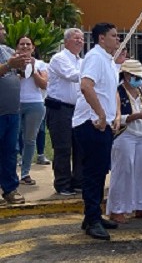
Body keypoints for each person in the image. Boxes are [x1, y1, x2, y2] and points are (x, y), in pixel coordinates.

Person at [72, 22, 120, 240]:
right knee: (93, 173)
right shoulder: (95, 57)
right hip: (91, 123)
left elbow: (111, 92)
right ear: (101, 38)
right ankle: (92, 220)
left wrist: (113, 117)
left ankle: (94, 215)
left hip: (104, 124)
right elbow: (86, 86)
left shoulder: (108, 60)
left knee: (100, 171)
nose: (118, 39)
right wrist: (101, 114)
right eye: (114, 36)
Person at [107, 60, 142, 224]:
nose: (140, 79)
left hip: (141, 135)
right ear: (126, 75)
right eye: (136, 76)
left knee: (141, 172)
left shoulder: (141, 92)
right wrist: (138, 116)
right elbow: (116, 118)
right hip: (124, 135)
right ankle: (117, 209)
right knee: (122, 172)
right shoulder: (117, 92)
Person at [46, 28, 85, 196]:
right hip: (60, 109)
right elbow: (72, 75)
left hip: (78, 110)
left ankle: (78, 181)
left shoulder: (82, 61)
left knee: (80, 146)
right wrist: (93, 72)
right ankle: (62, 184)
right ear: (67, 41)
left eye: (82, 39)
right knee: (63, 148)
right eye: (76, 38)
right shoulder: (59, 59)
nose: (80, 41)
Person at [0, 22, 29, 205]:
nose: (4, 31)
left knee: (10, 152)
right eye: (0, 29)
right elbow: (8, 67)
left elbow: (23, 73)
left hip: (12, 112)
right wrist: (9, 65)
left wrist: (23, 64)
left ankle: (10, 189)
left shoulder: (7, 50)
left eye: (3, 28)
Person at [15, 35, 47, 186]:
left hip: (34, 103)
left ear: (33, 48)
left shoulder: (41, 64)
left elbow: (44, 85)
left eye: (28, 44)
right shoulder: (11, 62)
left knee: (30, 139)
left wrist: (33, 69)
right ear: (17, 47)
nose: (25, 47)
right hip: (14, 104)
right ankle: (9, 172)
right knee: (12, 139)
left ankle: (25, 172)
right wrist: (19, 67)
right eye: (22, 44)